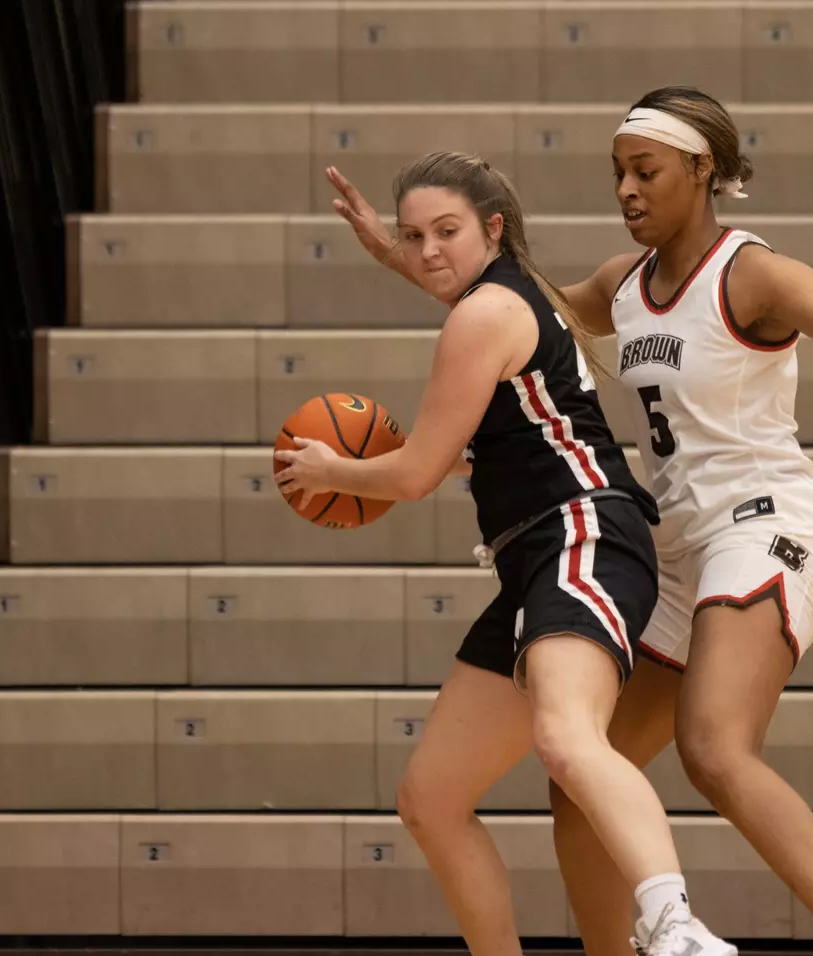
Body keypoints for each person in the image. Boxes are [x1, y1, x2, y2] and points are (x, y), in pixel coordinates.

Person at [330, 90, 813, 956]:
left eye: (645, 172)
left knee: (713, 747)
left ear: (702, 169)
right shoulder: (620, 285)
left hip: (761, 523)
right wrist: (404, 254)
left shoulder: (751, 273)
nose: (627, 191)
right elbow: (511, 313)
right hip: (672, 541)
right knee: (579, 778)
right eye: (617, 175)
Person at [275, 151, 736, 956]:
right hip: (535, 556)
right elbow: (468, 431)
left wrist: (331, 470)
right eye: (413, 236)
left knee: (565, 737)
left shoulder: (485, 314)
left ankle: (677, 928)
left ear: (492, 228)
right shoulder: (506, 295)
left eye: (444, 232)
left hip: (583, 535)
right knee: (432, 796)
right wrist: (390, 252)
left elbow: (415, 472)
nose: (426, 251)